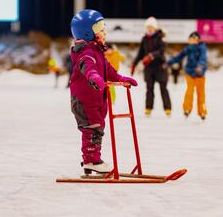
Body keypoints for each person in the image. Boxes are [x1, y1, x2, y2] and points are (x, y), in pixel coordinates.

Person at [69, 9, 137, 174]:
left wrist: (121, 78)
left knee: (97, 128)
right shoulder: (86, 53)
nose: (104, 31)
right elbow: (88, 68)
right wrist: (94, 77)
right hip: (84, 100)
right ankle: (91, 160)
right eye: (100, 28)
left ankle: (91, 159)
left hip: (95, 98)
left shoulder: (98, 51)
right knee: (92, 128)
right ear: (87, 32)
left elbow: (108, 70)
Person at [131, 16, 172, 116]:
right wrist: (134, 64)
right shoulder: (144, 39)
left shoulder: (161, 37)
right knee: (149, 88)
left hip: (160, 67)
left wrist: (151, 55)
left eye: (151, 27)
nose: (149, 29)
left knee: (163, 88)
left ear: (155, 28)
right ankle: (148, 108)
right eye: (148, 27)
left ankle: (167, 109)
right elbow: (141, 53)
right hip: (149, 68)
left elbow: (162, 51)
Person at [167, 32, 208, 120]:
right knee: (189, 91)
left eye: (193, 40)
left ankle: (202, 112)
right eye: (190, 40)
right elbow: (179, 57)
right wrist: (168, 63)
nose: (191, 41)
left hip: (200, 74)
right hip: (190, 73)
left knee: (201, 94)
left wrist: (200, 66)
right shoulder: (188, 48)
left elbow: (203, 58)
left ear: (197, 40)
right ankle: (187, 109)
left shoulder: (202, 48)